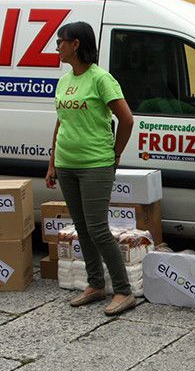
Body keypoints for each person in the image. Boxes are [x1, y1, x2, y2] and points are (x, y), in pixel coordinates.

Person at [45, 22, 137, 316]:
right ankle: (95, 284)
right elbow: (61, 123)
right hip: (66, 163)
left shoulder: (101, 79)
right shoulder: (64, 81)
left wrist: (115, 154)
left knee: (98, 229)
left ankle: (123, 290)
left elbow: (127, 120)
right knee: (82, 228)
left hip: (96, 163)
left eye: (62, 41)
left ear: (77, 44)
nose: (57, 46)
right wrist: (52, 163)